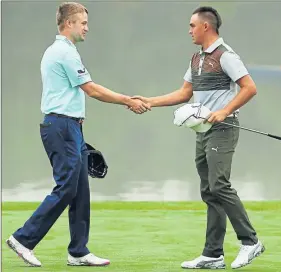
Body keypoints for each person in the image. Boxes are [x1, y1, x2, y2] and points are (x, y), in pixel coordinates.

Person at [6, 2, 149, 267]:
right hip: (61, 127)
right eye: (83, 22)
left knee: (80, 190)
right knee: (67, 187)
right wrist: (127, 100)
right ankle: (24, 238)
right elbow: (92, 90)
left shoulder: (64, 51)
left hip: (70, 128)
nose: (87, 27)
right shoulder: (64, 52)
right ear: (69, 23)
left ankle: (78, 251)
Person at [132, 6, 265, 270]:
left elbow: (250, 88)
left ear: (206, 27)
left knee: (219, 185)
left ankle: (250, 242)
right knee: (209, 190)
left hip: (224, 128)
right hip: (202, 132)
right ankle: (213, 254)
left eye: (192, 26)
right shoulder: (196, 59)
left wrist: (225, 110)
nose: (189, 30)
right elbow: (184, 94)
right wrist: (149, 101)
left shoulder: (226, 56)